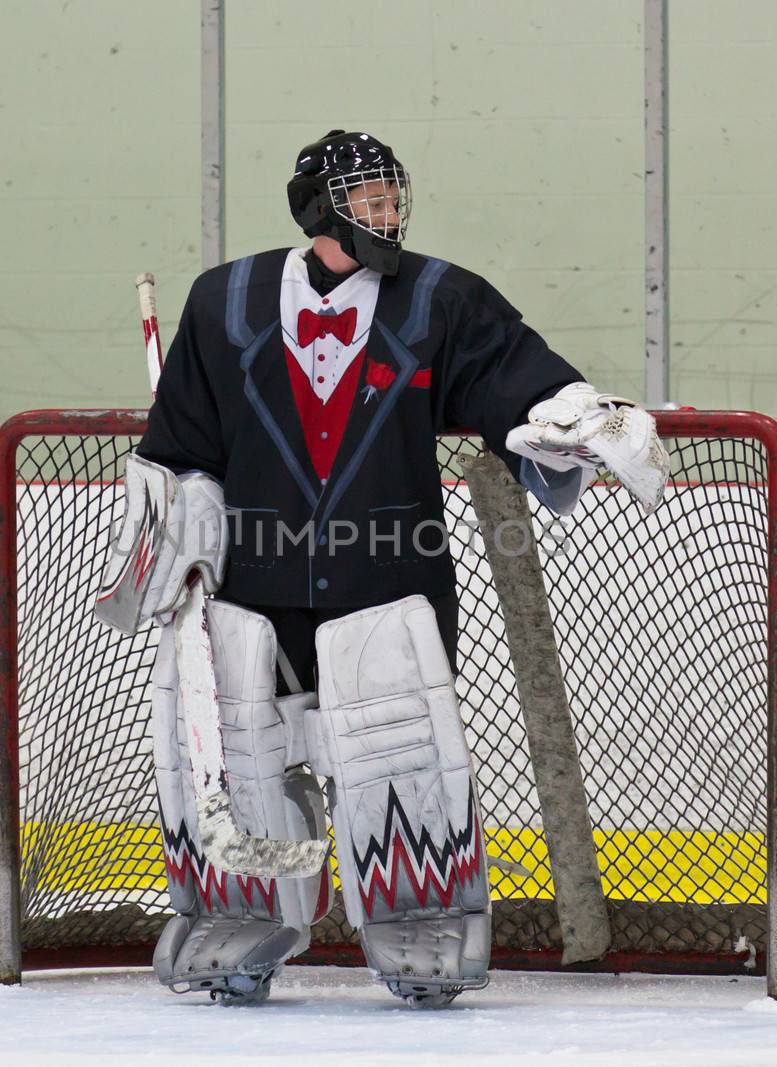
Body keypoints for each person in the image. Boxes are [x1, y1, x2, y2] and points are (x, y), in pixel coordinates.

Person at [96, 130, 668, 1007]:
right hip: (256, 584)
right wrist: (182, 524)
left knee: (398, 748)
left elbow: (511, 375)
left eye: (392, 199)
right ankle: (242, 908)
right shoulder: (224, 301)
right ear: (321, 208)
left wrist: (575, 416)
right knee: (245, 747)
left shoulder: (440, 298)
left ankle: (419, 914)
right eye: (368, 200)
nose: (388, 215)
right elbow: (180, 445)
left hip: (388, 579)